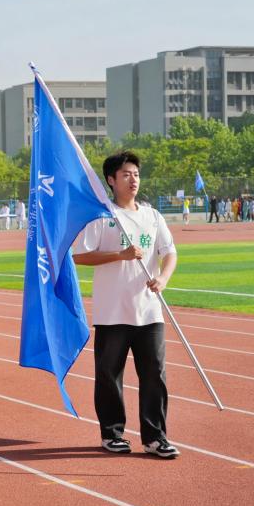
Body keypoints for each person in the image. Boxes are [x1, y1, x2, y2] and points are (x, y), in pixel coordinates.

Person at [73, 151, 179, 459]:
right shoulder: (102, 217)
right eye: (126, 175)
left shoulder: (152, 216)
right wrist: (119, 255)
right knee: (109, 375)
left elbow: (169, 252)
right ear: (111, 180)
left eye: (136, 174)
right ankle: (112, 433)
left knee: (154, 374)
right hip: (112, 312)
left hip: (149, 311)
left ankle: (155, 438)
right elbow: (80, 256)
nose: (133, 180)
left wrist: (163, 278)